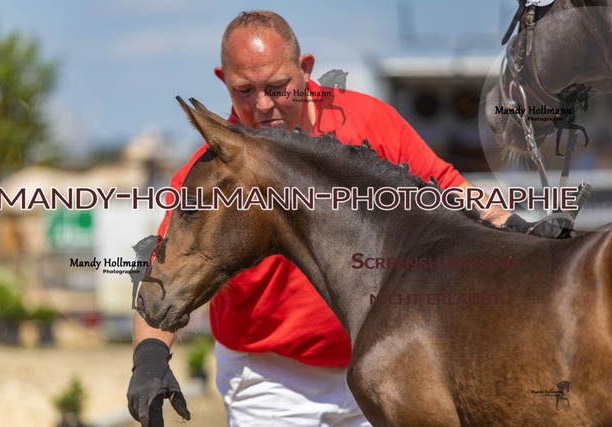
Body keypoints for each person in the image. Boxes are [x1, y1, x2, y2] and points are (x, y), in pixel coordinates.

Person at [127, 10, 552, 427]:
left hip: (388, 355)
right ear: (224, 80)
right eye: (244, 90)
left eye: (277, 87)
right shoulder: (208, 177)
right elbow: (166, 269)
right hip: (269, 378)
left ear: (306, 69)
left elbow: (449, 188)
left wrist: (517, 230)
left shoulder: (368, 123)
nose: (262, 104)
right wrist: (149, 356)